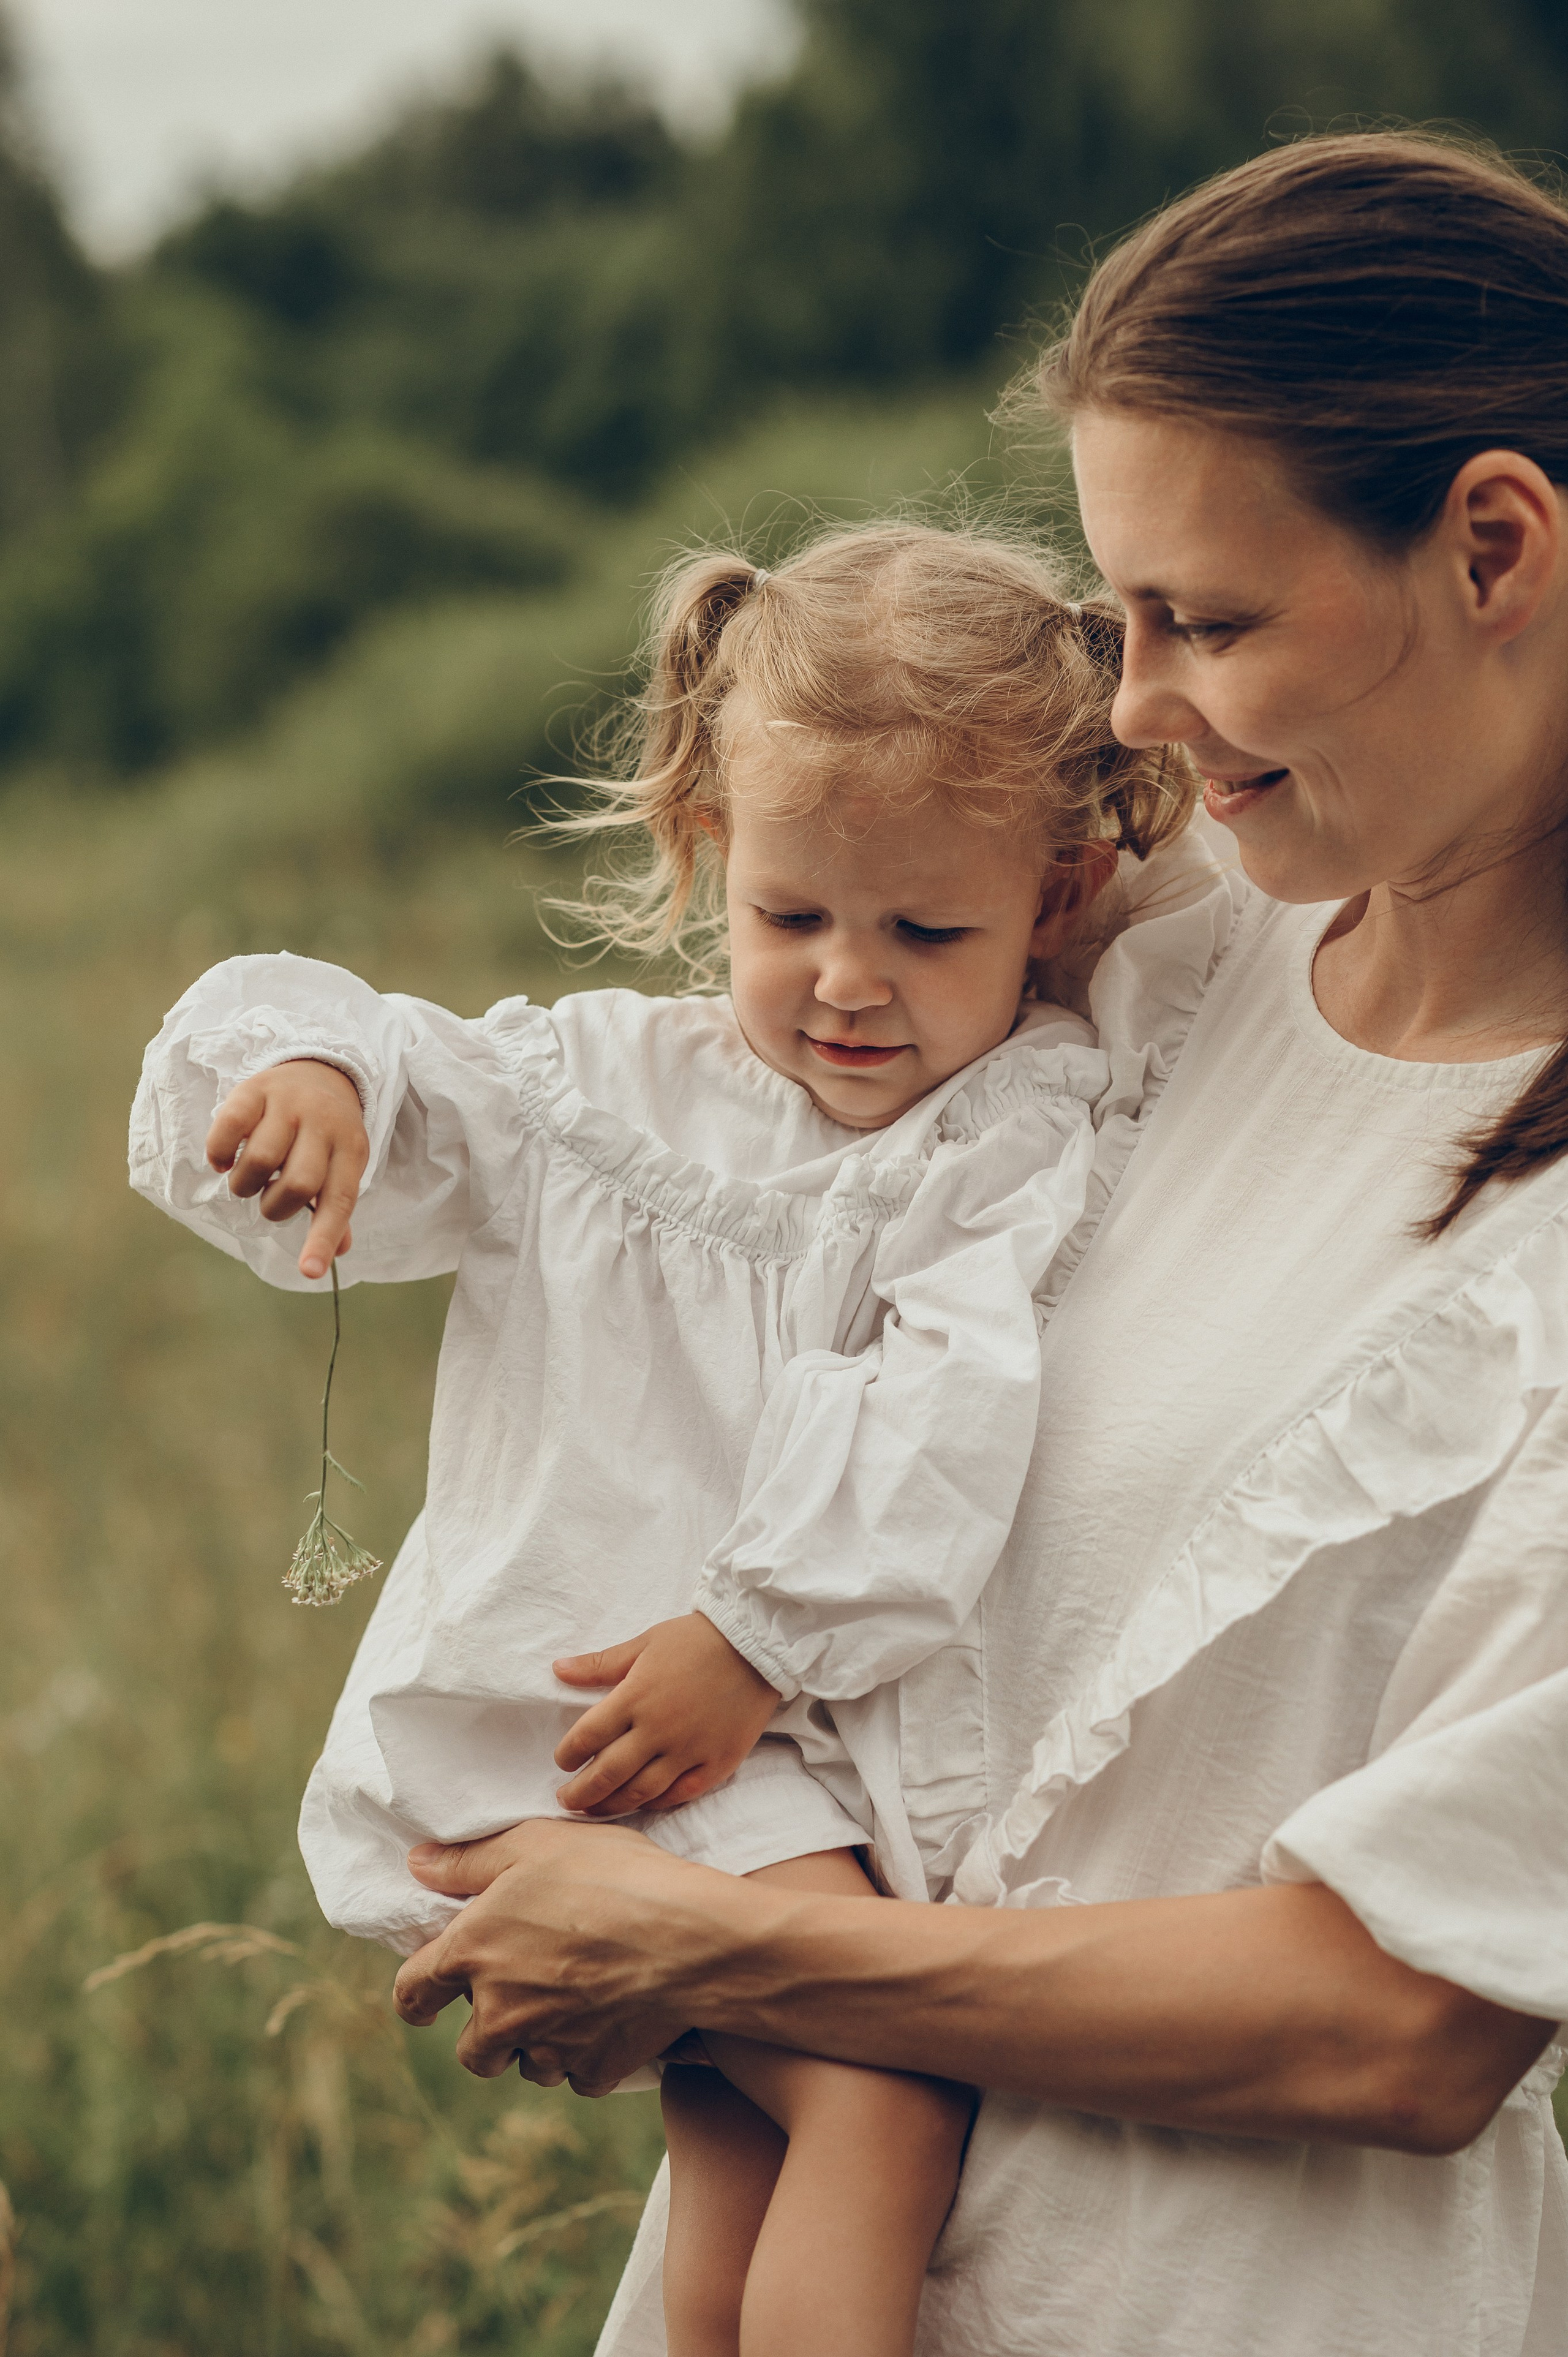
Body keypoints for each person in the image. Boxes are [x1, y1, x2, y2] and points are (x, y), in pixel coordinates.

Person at [388, 133, 1568, 2357]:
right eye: (1122, 615)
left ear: (1495, 544)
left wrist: (727, 1950)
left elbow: (1408, 2021)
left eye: (1207, 622)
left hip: (1251, 2300)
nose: (1130, 705)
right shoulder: (1146, 976)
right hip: (821, 2258)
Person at [129, 521, 1205, 2357]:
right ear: (709, 846)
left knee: (738, 2136)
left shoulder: (1007, 1133)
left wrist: (767, 1643)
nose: (848, 983)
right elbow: (387, 1043)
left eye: (922, 930)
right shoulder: (606, 1091)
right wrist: (314, 1078)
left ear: (1064, 892)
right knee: (887, 2099)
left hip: (738, 1712)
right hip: (609, 1715)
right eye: (792, 917)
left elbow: (945, 1414)